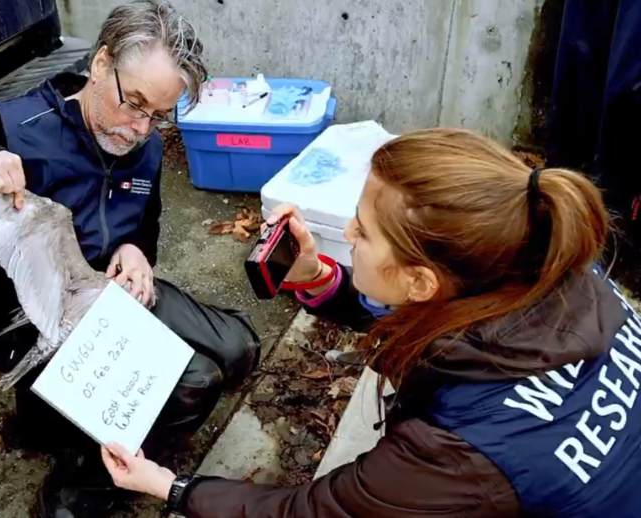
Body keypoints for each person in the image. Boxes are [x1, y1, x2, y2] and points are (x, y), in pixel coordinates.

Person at [99, 128, 641, 517]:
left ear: (422, 281)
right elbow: (417, 315)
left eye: (362, 230)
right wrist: (313, 274)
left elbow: (308, 511)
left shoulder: (453, 459)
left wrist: (170, 486)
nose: (349, 236)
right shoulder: (549, 260)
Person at [0, 2, 260, 516]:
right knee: (195, 385)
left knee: (239, 348)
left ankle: (58, 421)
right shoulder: (13, 129)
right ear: (101, 65)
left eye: (159, 115)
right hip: (29, 323)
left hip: (107, 292)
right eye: (135, 103)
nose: (141, 129)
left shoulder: (142, 143)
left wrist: (136, 253)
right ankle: (82, 484)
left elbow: (146, 224)